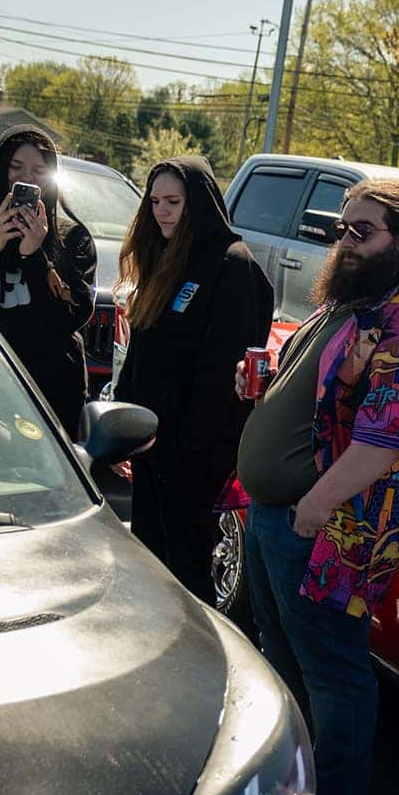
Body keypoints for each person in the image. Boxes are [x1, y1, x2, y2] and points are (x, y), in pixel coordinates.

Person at [235, 179, 399, 795]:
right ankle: (291, 786)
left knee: (335, 672)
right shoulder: (353, 302)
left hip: (333, 530)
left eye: (363, 231)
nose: (347, 241)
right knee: (282, 656)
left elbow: (389, 444)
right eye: (343, 229)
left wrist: (309, 507)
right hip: (278, 515)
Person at [113, 156, 273, 605]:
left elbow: (219, 373)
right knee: (149, 562)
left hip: (192, 458)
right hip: (150, 448)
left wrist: (185, 445)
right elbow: (141, 352)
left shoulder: (232, 265)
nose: (161, 211)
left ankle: (198, 665)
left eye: (173, 202)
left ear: (197, 204)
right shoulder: (163, 259)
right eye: (155, 201)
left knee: (186, 573)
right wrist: (123, 426)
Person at [0, 125, 96, 437]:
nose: (27, 178)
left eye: (39, 170)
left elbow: (71, 318)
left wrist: (35, 256)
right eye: (16, 167)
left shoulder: (73, 239)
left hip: (47, 395)